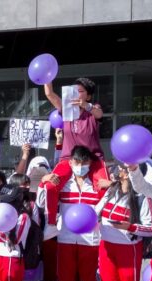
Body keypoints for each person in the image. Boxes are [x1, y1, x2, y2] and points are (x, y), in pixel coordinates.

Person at [38, 145, 106, 281]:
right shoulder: (62, 183)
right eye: (77, 162)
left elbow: (104, 208)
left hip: (90, 240)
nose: (81, 166)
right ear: (70, 162)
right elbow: (43, 203)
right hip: (66, 238)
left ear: (90, 164)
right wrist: (44, 182)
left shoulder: (96, 184)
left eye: (85, 163)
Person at [41, 78, 109, 228]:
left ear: (88, 96)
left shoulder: (92, 109)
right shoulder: (66, 109)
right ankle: (51, 224)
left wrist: (86, 106)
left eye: (80, 92)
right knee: (51, 185)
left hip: (93, 159)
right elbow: (49, 93)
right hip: (68, 159)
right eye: (74, 91)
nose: (76, 94)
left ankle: (104, 223)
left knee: (105, 187)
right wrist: (47, 76)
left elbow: (99, 114)